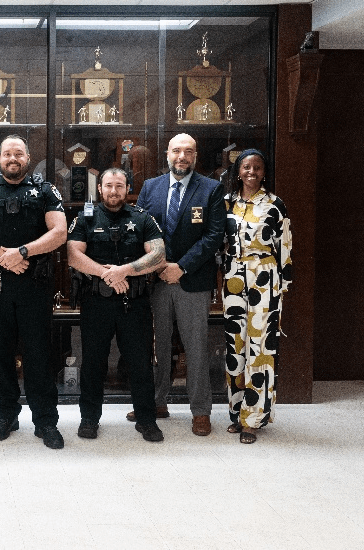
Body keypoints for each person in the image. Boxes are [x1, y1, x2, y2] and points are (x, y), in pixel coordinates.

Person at [0, 135, 68, 449]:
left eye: (18, 153)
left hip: (34, 284)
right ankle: (7, 414)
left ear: (27, 157)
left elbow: (60, 232)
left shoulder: (45, 190)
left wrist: (22, 252)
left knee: (39, 354)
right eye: (7, 153)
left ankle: (45, 421)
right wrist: (2, 257)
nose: (13, 158)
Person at [135, 133, 226, 436]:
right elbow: (141, 229)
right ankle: (156, 402)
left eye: (188, 152)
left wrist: (181, 267)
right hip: (156, 279)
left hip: (193, 280)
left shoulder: (211, 189)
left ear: (196, 156)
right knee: (157, 344)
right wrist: (159, 265)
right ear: (167, 154)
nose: (182, 157)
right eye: (176, 151)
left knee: (195, 347)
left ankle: (200, 411)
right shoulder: (151, 187)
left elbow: (213, 236)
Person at [67, 168, 167, 442]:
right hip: (96, 302)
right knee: (93, 365)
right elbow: (73, 255)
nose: (113, 191)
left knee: (140, 365)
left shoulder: (142, 218)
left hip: (133, 304)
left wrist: (125, 270)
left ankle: (146, 420)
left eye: (119, 186)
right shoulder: (85, 218)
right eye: (108, 186)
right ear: (100, 189)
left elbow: (158, 255)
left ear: (127, 189)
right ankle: (89, 419)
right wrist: (107, 274)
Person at [222, 149, 292, 444]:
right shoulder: (226, 204)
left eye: (258, 168)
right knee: (235, 345)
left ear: (264, 172)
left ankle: (254, 419)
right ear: (238, 171)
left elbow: (285, 246)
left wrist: (282, 287)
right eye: (246, 167)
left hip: (265, 278)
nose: (252, 172)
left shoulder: (275, 205)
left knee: (260, 347)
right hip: (233, 279)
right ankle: (237, 413)